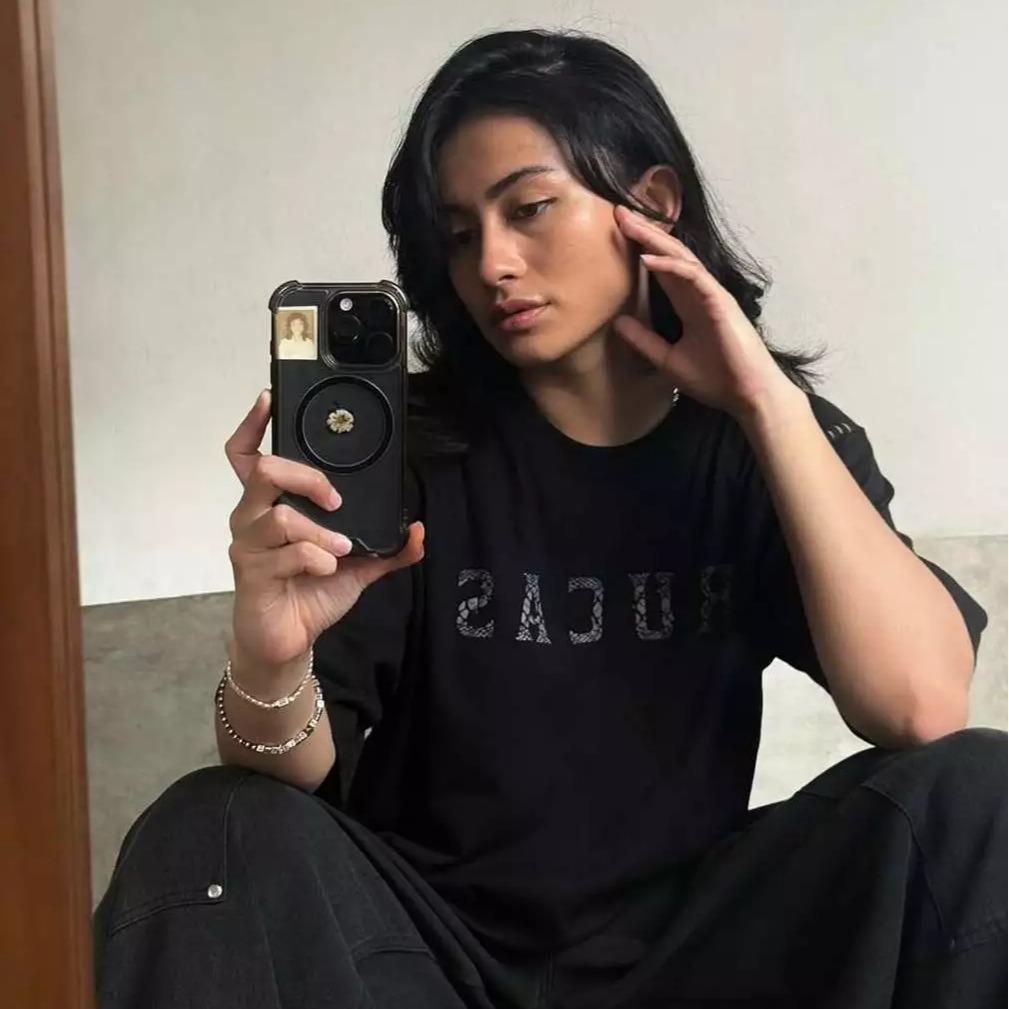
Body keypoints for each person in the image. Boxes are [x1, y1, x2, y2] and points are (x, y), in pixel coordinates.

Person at [93, 28, 1006, 1009]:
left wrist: (765, 404)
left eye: (528, 208)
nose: (492, 262)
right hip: (424, 960)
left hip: (692, 957)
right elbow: (292, 786)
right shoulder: (404, 454)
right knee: (213, 822)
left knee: (977, 791)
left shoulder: (762, 444)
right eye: (458, 234)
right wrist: (268, 659)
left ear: (653, 203)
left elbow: (919, 708)